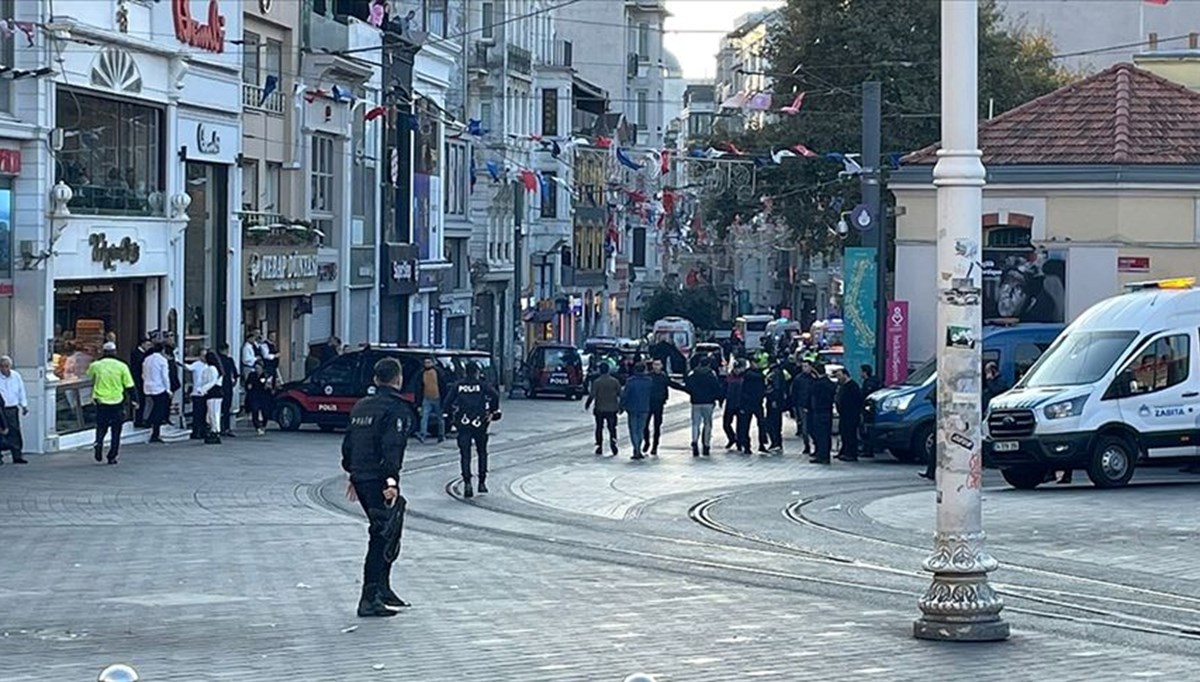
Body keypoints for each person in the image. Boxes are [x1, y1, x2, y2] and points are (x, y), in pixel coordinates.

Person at [340, 358, 414, 618]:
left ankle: (382, 588)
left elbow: (349, 444)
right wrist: (391, 483)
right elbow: (392, 448)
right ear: (398, 379)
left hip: (361, 477)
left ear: (375, 379)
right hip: (379, 479)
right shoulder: (395, 409)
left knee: (387, 529)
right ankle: (369, 597)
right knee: (382, 532)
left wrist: (351, 473)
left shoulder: (361, 406)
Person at [444, 361, 501, 498]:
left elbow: (447, 402)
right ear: (476, 372)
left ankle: (467, 483)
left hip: (463, 424)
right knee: (482, 452)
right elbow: (495, 395)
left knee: (465, 455)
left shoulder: (458, 386)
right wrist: (493, 411)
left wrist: (451, 417)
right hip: (480, 423)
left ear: (465, 372)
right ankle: (482, 482)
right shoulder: (482, 385)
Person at [86, 342, 136, 464]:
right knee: (116, 430)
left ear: (103, 352)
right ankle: (112, 455)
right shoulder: (122, 366)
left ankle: (98, 443)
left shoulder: (96, 365)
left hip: (101, 401)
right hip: (117, 401)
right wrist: (135, 399)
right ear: (115, 352)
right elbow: (129, 385)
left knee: (101, 427)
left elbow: (88, 377)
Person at [671, 356, 724, 457]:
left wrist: (692, 393)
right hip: (708, 402)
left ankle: (694, 441)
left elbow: (688, 385)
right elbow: (716, 387)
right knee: (707, 424)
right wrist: (719, 398)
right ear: (708, 364)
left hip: (696, 402)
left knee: (695, 423)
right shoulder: (711, 374)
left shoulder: (693, 373)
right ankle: (706, 445)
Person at [585, 362, 621, 456]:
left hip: (600, 408)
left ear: (600, 370)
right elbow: (620, 394)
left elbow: (592, 395)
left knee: (599, 428)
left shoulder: (597, 382)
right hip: (612, 409)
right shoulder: (615, 381)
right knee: (612, 427)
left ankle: (599, 446)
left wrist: (587, 404)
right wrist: (621, 406)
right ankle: (613, 441)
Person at [620, 362, 653, 460]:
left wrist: (621, 406)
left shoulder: (630, 381)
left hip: (632, 408)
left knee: (633, 430)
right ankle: (638, 448)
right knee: (641, 430)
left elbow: (625, 395)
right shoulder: (649, 381)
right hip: (644, 408)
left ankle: (636, 449)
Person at [0, 356, 29, 464]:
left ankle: (17, 455)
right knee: (1, 432)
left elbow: (21, 390)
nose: (4, 369)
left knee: (15, 431)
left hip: (12, 407)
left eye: (6, 366)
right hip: (1, 408)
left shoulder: (16, 376)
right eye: (2, 366)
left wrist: (24, 405)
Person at [142, 343, 171, 444]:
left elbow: (143, 374)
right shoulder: (162, 360)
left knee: (154, 406)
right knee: (159, 409)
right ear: (162, 350)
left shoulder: (147, 359)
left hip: (148, 386)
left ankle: (152, 426)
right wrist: (168, 389)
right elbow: (165, 376)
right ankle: (153, 425)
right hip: (159, 387)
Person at [808, 362, 836, 465]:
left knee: (820, 435)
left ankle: (821, 456)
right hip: (827, 411)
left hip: (819, 412)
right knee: (826, 435)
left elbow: (812, 395)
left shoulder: (817, 384)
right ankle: (825, 455)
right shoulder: (829, 383)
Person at [738, 361, 767, 455]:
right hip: (757, 403)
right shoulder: (760, 375)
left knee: (745, 425)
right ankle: (762, 444)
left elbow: (741, 390)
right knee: (761, 424)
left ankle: (747, 446)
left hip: (747, 403)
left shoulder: (745, 375)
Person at [834, 368, 863, 462]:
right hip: (843, 415)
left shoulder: (853, 386)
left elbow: (856, 402)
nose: (838, 378)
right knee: (844, 434)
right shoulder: (843, 386)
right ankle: (844, 451)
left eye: (839, 375)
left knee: (850, 434)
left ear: (845, 375)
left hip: (851, 415)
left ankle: (851, 454)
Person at [642, 359, 669, 456]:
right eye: (655, 365)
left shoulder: (663, 377)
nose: (657, 366)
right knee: (645, 425)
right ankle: (647, 442)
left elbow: (670, 385)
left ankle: (655, 446)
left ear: (661, 366)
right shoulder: (649, 377)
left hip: (659, 403)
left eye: (658, 365)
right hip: (649, 403)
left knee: (657, 426)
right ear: (652, 366)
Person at [790, 358, 816, 456]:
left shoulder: (814, 378)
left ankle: (815, 444)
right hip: (802, 405)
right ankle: (807, 446)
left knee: (813, 427)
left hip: (813, 406)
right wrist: (794, 405)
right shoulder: (798, 379)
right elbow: (794, 392)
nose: (804, 368)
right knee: (805, 427)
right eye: (803, 366)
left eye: (806, 366)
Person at [763, 361, 790, 454]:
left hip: (774, 402)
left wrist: (773, 399)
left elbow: (776, 387)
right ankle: (776, 443)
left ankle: (776, 443)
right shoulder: (780, 372)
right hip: (777, 401)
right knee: (775, 423)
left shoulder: (775, 373)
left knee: (773, 423)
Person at [417, 357, 446, 443]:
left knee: (440, 418)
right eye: (426, 362)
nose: (427, 364)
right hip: (426, 398)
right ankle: (423, 434)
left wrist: (444, 399)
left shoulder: (438, 372)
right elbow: (419, 387)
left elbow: (443, 386)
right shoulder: (422, 373)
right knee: (424, 417)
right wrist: (418, 401)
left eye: (429, 362)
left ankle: (441, 435)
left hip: (437, 398)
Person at [200, 351, 224, 445]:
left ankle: (215, 431)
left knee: (213, 413)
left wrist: (202, 389)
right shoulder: (217, 368)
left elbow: (211, 382)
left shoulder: (211, 369)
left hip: (213, 393)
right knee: (213, 413)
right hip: (216, 393)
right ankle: (215, 430)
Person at [859, 364, 883, 457]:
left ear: (865, 372)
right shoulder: (872, 381)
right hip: (870, 409)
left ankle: (868, 450)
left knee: (866, 429)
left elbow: (866, 395)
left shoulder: (869, 383)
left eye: (861, 371)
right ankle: (868, 449)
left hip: (868, 409)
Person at [244, 360, 273, 435]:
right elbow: (247, 384)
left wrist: (268, 386)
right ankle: (257, 426)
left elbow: (270, 385)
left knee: (265, 412)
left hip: (264, 395)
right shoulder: (252, 375)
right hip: (254, 395)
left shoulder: (266, 375)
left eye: (259, 368)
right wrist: (248, 386)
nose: (257, 370)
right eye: (256, 368)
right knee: (255, 410)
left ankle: (263, 425)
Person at [217, 343, 239, 437]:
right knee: (226, 408)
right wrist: (234, 382)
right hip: (228, 386)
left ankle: (217, 427)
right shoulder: (229, 360)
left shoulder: (217, 360)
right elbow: (235, 373)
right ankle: (226, 427)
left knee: (217, 408)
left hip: (218, 386)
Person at [722, 361, 746, 449]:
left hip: (741, 404)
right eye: (736, 368)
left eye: (739, 368)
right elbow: (724, 389)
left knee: (740, 425)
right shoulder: (729, 377)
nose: (737, 370)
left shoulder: (745, 377)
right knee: (726, 424)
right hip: (730, 403)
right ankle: (732, 438)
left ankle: (740, 442)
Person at [130, 337, 153, 428]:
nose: (149, 347)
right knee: (139, 400)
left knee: (143, 401)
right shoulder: (137, 354)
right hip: (138, 381)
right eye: (147, 345)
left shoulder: (145, 354)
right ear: (142, 344)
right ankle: (138, 420)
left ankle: (141, 418)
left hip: (143, 381)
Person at [189, 352, 211, 441]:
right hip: (197, 392)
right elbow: (188, 367)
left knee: (204, 413)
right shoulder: (196, 364)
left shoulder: (209, 366)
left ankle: (203, 431)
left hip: (206, 392)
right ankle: (196, 431)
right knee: (197, 414)